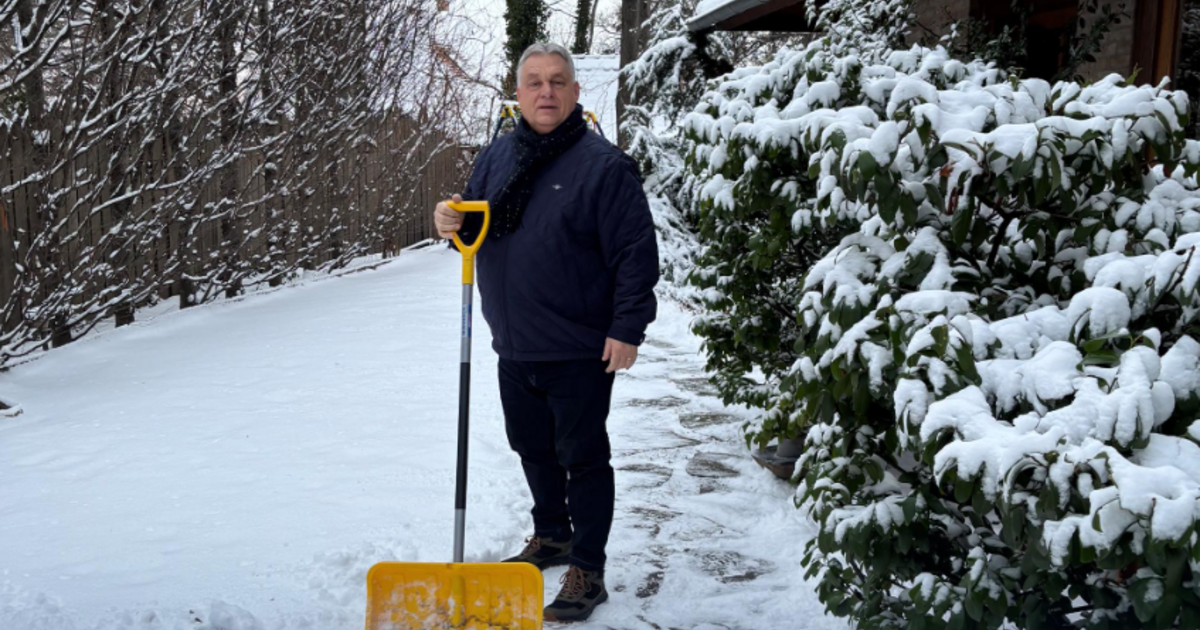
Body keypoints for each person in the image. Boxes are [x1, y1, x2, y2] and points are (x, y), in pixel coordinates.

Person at [432, 42, 658, 622]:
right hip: (514, 341)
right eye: (534, 81)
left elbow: (635, 253)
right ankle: (553, 534)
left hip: (579, 345)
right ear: (519, 92)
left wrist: (627, 328)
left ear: (576, 92)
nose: (546, 92)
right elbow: (475, 226)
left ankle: (588, 568)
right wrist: (450, 221)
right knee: (532, 447)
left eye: (558, 81)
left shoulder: (604, 166)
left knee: (582, 458)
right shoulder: (497, 156)